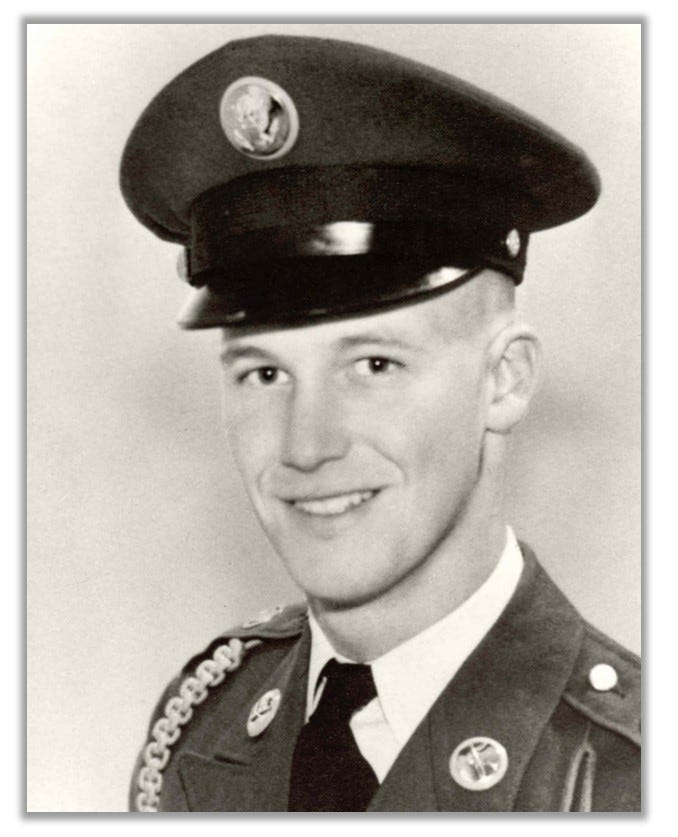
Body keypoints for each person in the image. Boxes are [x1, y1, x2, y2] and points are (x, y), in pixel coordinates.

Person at [120, 34, 640, 813]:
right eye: (265, 373)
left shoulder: (635, 776)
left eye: (373, 365)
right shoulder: (203, 723)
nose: (306, 445)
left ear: (505, 379)